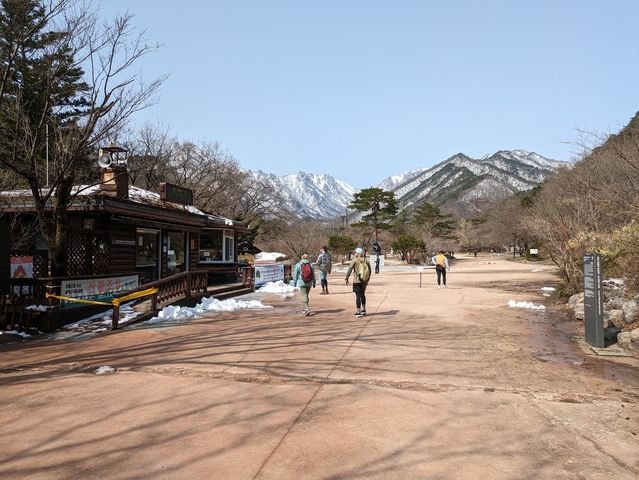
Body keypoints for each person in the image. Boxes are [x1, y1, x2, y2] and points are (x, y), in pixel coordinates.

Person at [345, 247, 371, 317]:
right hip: (364, 280)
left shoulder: (355, 260)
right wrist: (367, 280)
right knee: (363, 294)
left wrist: (346, 278)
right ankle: (364, 310)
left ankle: (358, 311)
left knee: (358, 296)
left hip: (357, 280)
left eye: (355, 252)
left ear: (358, 254)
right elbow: (369, 271)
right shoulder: (367, 261)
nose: (354, 253)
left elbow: (349, 270)